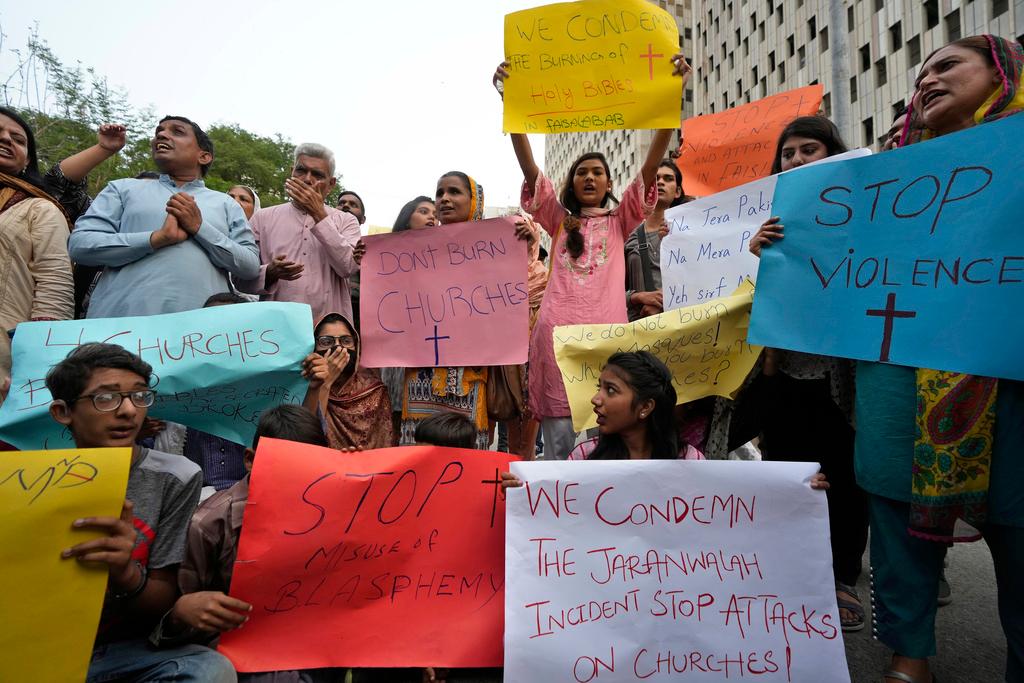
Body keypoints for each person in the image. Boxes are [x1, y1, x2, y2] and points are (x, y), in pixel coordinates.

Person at [855, 35, 1024, 683]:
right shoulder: (883, 178)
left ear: (1003, 73)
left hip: (1006, 382)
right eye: (919, 72)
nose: (926, 79)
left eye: (947, 64)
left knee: (1018, 522)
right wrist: (786, 245)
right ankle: (908, 657)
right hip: (900, 376)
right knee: (893, 517)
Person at [493, 54, 690, 460]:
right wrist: (509, 102)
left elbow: (653, 162)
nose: (588, 177)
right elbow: (529, 166)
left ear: (610, 183)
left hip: (606, 343)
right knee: (562, 447)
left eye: (597, 172)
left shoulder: (622, 221)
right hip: (555, 342)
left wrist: (675, 93)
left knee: (606, 441)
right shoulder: (558, 221)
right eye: (581, 171)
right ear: (570, 183)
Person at [47, 343, 235, 682]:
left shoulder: (177, 477)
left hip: (123, 650)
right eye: (106, 399)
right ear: (63, 412)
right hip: (38, 643)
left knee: (208, 669)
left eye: (139, 397)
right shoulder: (26, 479)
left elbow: (160, 600)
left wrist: (125, 572)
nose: (128, 412)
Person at [746, 115, 868, 633]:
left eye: (808, 150)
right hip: (785, 372)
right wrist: (756, 256)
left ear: (832, 153)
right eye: (788, 153)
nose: (796, 161)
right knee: (790, 471)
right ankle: (794, 567)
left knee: (844, 476)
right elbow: (747, 298)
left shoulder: (862, 210)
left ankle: (841, 577)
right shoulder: (767, 222)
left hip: (842, 375)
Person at [153, 404, 340, 683]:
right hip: (239, 648)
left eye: (310, 466)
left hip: (313, 636)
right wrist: (189, 615)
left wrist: (355, 476)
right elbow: (181, 617)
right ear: (250, 459)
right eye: (285, 465)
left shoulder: (334, 509)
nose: (298, 477)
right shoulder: (209, 525)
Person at [501, 350, 826, 473]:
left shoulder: (690, 463)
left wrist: (796, 495)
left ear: (645, 407)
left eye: (610, 390)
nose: (596, 400)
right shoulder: (583, 459)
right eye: (599, 388)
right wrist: (521, 495)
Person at [69, 115, 260, 318]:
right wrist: (156, 239)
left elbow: (249, 266)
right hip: (121, 326)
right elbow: (80, 245)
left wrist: (200, 228)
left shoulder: (226, 203)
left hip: (202, 334)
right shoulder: (122, 189)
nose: (162, 135)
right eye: (159, 131)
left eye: (176, 131)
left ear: (204, 156)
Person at [236, 143, 360, 322]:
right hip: (276, 330)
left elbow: (348, 266)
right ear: (291, 172)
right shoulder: (262, 218)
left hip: (330, 331)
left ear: (331, 184)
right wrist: (269, 273)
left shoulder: (346, 221)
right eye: (301, 171)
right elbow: (240, 279)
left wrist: (318, 213)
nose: (307, 179)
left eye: (317, 175)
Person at [0, 106, 74, 391]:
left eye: (18, 139)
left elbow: (55, 285)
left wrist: (40, 365)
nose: (7, 139)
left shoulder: (37, 208)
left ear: (27, 159)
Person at [380, 197, 438, 444]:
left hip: (431, 352)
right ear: (406, 217)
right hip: (397, 350)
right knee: (395, 416)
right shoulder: (385, 256)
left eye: (434, 214)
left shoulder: (446, 255)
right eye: (423, 211)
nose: (431, 217)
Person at [301, 312, 392, 450]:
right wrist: (324, 383)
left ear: (357, 346)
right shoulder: (302, 385)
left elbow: (384, 446)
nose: (338, 347)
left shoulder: (374, 391)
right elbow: (305, 438)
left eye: (346, 341)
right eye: (326, 342)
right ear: (314, 347)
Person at [624, 159, 689, 321]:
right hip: (638, 329)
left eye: (668, 179)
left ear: (678, 192)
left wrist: (664, 300)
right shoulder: (626, 236)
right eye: (655, 178)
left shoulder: (690, 234)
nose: (660, 182)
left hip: (682, 325)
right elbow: (612, 288)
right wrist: (637, 297)